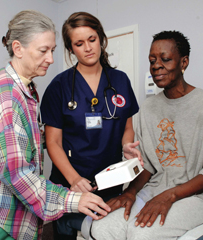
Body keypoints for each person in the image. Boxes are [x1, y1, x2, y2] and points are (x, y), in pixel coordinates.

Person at [0, 10, 111, 240]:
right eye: (43, 51)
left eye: (52, 50)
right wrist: (73, 200)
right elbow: (17, 175)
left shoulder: (26, 89)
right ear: (18, 48)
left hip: (14, 214)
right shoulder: (7, 98)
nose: (50, 58)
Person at [86, 30, 203, 240]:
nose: (156, 66)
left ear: (184, 62)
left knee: (142, 234)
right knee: (102, 228)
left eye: (165, 59)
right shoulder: (148, 107)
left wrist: (170, 195)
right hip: (157, 187)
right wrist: (130, 192)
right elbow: (147, 164)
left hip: (201, 195)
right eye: (152, 60)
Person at [40, 12, 141, 239]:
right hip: (71, 185)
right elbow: (53, 142)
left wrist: (126, 146)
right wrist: (74, 179)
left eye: (92, 39)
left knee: (104, 234)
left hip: (110, 182)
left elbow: (126, 127)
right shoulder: (59, 87)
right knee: (69, 233)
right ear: (71, 49)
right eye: (79, 43)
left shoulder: (120, 80)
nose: (87, 48)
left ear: (101, 39)